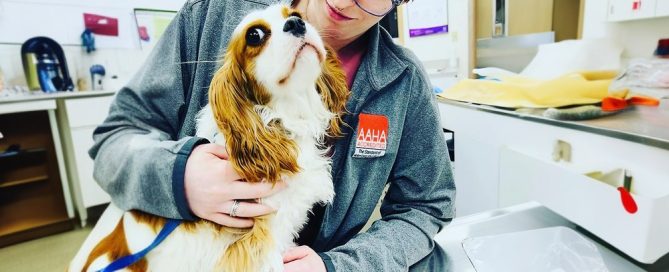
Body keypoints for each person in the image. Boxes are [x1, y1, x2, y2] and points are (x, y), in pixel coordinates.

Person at [89, 0, 455, 271]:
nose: (343, 2)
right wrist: (177, 177)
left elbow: (426, 206)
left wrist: (340, 266)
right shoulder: (211, 15)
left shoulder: (403, 80)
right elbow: (115, 141)